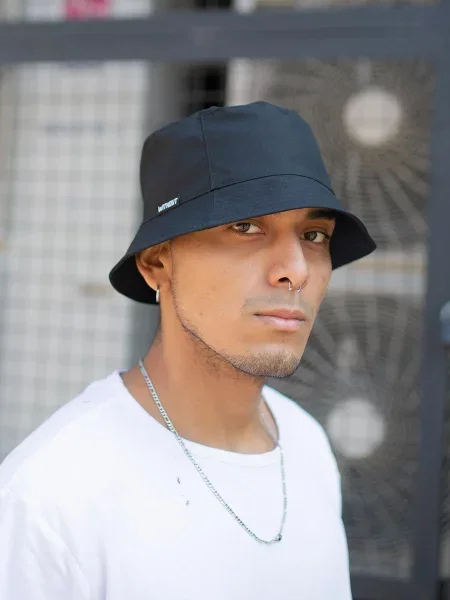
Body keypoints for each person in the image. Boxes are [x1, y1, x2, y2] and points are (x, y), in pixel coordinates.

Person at [0, 101, 376, 600]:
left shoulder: (306, 445)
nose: (297, 270)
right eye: (246, 227)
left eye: (313, 235)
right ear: (157, 263)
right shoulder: (51, 497)